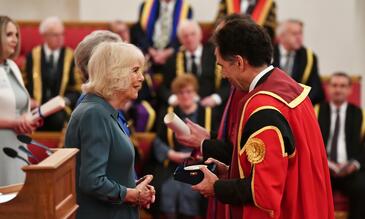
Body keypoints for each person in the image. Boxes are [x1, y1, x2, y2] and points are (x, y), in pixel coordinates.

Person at [176, 16, 334, 219]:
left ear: (240, 62)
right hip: (309, 204)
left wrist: (217, 187)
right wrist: (231, 171)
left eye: (222, 66)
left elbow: (264, 192)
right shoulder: (288, 86)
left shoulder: (262, 108)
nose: (223, 75)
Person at [64, 42, 155, 219]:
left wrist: (133, 187)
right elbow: (92, 181)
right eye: (135, 70)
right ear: (114, 74)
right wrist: (132, 195)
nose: (142, 78)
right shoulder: (95, 114)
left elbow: (108, 172)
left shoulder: (104, 111)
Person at [149, 74, 217, 218]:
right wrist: (170, 154)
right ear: (176, 95)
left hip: (201, 163)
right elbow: (157, 140)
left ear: (195, 93)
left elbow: (217, 140)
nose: (185, 96)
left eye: (189, 92)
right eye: (181, 92)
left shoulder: (209, 113)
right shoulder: (168, 114)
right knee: (168, 188)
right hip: (174, 163)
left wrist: (202, 153)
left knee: (191, 191)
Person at [315, 72, 365, 219]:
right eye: (334, 85)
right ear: (328, 88)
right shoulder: (315, 111)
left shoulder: (359, 115)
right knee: (309, 187)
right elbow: (307, 144)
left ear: (350, 90)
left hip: (350, 170)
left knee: (362, 187)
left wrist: (354, 164)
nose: (338, 90)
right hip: (323, 170)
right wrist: (325, 163)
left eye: (343, 86)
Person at [0, 16, 41, 186]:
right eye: (9, 34)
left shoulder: (12, 66)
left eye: (16, 35)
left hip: (17, 141)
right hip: (2, 140)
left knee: (17, 197)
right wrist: (14, 122)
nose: (15, 40)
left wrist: (30, 118)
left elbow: (19, 103)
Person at [24, 16, 82, 131]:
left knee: (58, 119)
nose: (60, 38)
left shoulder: (71, 57)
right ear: (45, 36)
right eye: (56, 35)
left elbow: (77, 88)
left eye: (62, 34)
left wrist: (64, 100)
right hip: (36, 108)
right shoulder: (33, 56)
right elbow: (23, 83)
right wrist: (28, 100)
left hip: (60, 110)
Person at [159, 20, 230, 112]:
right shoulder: (173, 59)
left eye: (193, 34)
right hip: (182, 108)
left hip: (212, 107)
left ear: (200, 35)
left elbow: (228, 83)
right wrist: (173, 99)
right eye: (185, 36)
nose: (189, 39)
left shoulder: (215, 55)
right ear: (180, 40)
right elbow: (163, 87)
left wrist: (215, 99)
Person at [273, 19, 325, 105]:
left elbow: (315, 88)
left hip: (298, 106)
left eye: (300, 33)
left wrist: (299, 104)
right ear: (281, 36)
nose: (299, 37)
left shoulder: (309, 57)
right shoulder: (269, 52)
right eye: (294, 34)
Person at [131, 0, 193, 68]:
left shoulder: (186, 9)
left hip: (173, 54)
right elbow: (139, 32)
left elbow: (185, 35)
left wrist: (168, 52)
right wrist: (150, 50)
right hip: (149, 53)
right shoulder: (146, 5)